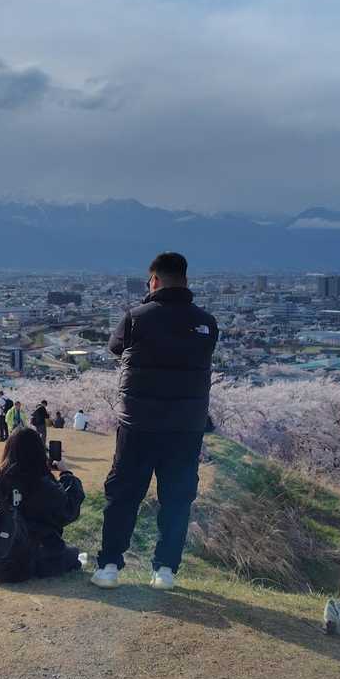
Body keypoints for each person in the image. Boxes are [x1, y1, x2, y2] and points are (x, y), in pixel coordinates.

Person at [90, 252, 218, 592]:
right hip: (185, 427)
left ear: (155, 280)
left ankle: (109, 566)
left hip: (138, 423)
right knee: (177, 498)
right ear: (185, 280)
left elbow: (115, 348)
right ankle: (165, 570)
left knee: (123, 494)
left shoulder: (136, 318)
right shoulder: (206, 323)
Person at [0, 427, 85, 578]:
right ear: (39, 452)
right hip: (37, 558)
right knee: (74, 555)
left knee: (71, 554)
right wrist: (66, 474)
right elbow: (68, 510)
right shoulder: (42, 484)